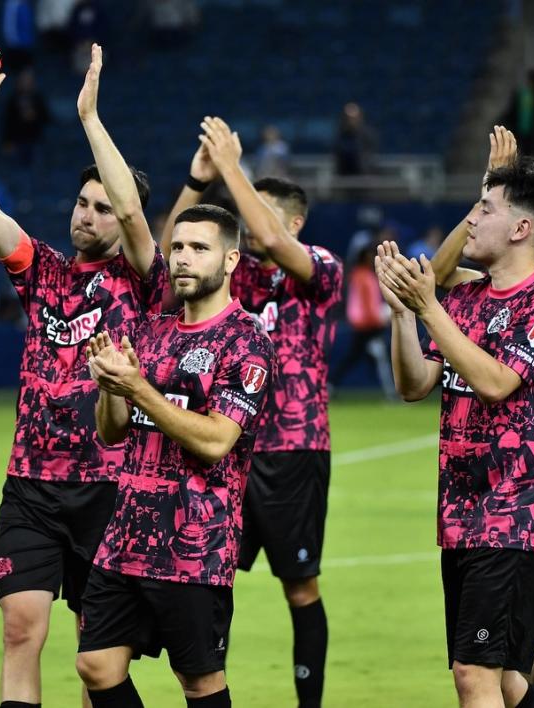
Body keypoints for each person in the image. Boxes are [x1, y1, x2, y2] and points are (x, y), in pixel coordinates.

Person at [0, 43, 164, 708]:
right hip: (32, 488)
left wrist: (89, 116)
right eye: (82, 203)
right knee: (21, 628)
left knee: (95, 655)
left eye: (101, 207)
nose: (87, 215)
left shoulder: (143, 280)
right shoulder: (43, 271)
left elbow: (135, 217)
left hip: (108, 488)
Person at [379, 160, 534, 708]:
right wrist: (404, 315)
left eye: (484, 209)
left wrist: (428, 306)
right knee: (507, 679)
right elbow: (416, 383)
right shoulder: (466, 301)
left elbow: (496, 382)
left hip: (519, 512)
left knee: (474, 674)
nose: (470, 220)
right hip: (463, 514)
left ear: (522, 229)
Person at [161, 116, 343, 707]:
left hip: (294, 450)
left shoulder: (319, 270)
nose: (245, 226)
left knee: (300, 588)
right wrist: (201, 181)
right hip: (224, 450)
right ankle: (207, 690)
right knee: (205, 576)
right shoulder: (228, 281)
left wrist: (232, 169)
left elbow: (267, 240)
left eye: (256, 212)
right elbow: (166, 260)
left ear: (294, 221)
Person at [78, 204, 275, 708]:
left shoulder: (246, 341)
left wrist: (138, 388)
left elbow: (215, 441)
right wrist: (110, 385)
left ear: (231, 261)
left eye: (200, 248)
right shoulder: (152, 330)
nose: (184, 258)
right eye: (178, 247)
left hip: (194, 545)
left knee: (199, 684)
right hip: (126, 534)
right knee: (96, 666)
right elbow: (112, 431)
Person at [329, 241, 395, 399]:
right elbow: (366, 305)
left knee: (363, 358)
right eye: (370, 255)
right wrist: (380, 319)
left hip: (366, 326)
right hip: (367, 326)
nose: (373, 258)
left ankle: (330, 385)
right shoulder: (362, 276)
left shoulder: (361, 275)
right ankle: (394, 392)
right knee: (378, 359)